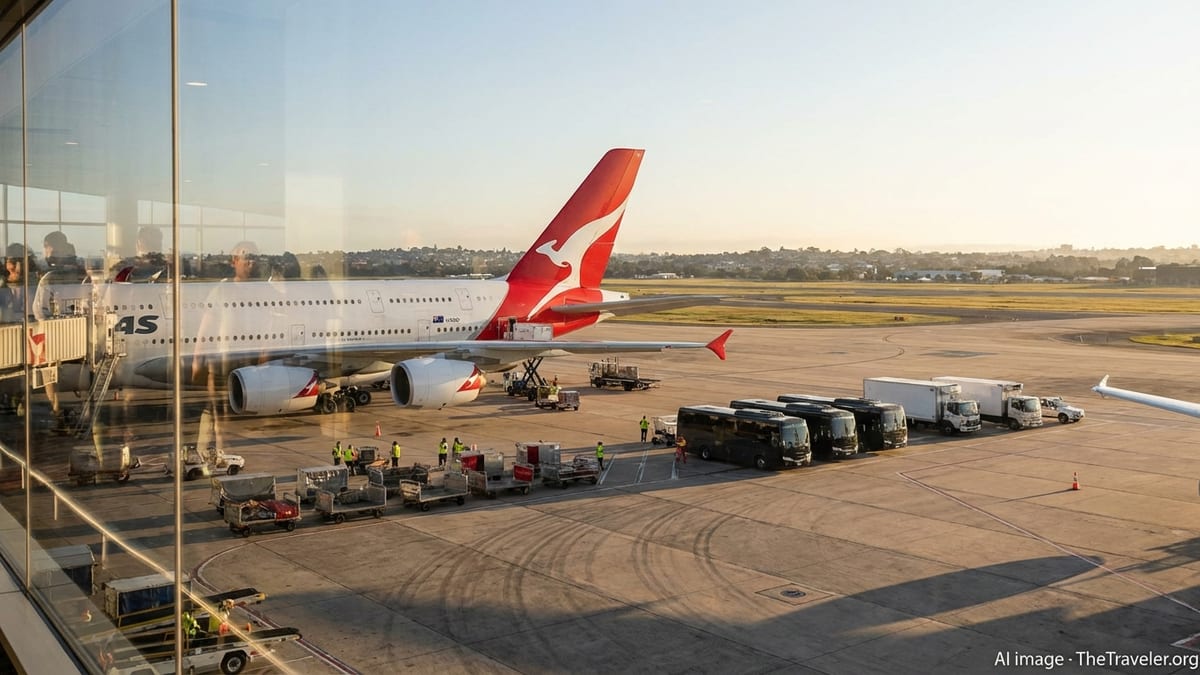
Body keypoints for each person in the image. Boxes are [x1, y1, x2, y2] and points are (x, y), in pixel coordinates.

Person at [0, 243, 30, 323]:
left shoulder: (29, 282)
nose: (8, 262)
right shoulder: (3, 282)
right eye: (7, 260)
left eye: (12, 260)